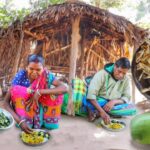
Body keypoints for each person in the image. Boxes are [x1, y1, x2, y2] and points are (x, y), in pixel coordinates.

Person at [4, 54, 68, 133]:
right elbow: (6, 103)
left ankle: (46, 121)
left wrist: (40, 92)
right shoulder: (21, 76)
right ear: (27, 67)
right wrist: (19, 121)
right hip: (24, 110)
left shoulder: (46, 75)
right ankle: (26, 120)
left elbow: (64, 88)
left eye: (38, 70)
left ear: (43, 69)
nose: (34, 72)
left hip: (39, 106)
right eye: (31, 69)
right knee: (18, 90)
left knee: (55, 93)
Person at [86, 57, 131, 124]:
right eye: (119, 71)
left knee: (131, 109)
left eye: (124, 73)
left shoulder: (126, 79)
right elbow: (91, 95)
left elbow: (127, 97)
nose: (121, 75)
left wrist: (114, 101)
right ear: (115, 66)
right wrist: (102, 112)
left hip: (113, 104)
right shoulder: (101, 74)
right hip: (99, 101)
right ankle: (100, 111)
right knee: (87, 101)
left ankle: (96, 113)